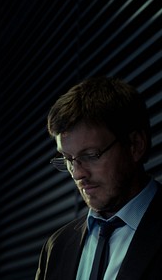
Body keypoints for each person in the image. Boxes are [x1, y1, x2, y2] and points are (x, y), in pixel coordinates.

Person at [35, 76, 162, 280]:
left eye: (90, 155)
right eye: (68, 159)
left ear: (135, 145)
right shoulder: (56, 247)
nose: (77, 174)